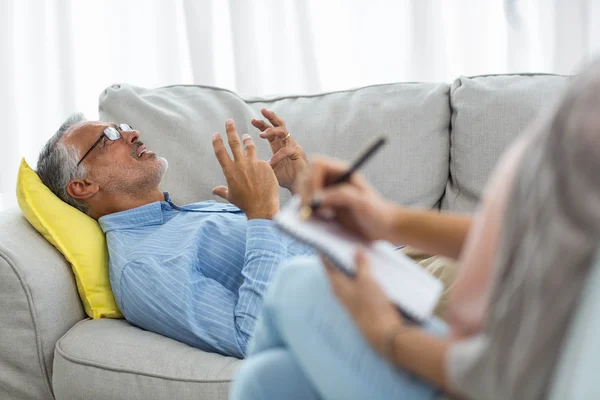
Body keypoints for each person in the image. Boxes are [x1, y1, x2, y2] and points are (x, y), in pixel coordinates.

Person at [231, 61, 600, 399]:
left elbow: (504, 377)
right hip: (469, 340)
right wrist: (387, 219)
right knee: (266, 379)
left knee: (298, 284)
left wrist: (390, 335)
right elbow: (539, 240)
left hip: (483, 378)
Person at [36, 109, 314, 358]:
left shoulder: (186, 214)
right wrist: (263, 214)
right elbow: (251, 338)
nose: (133, 134)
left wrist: (303, 189)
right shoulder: (142, 266)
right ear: (83, 185)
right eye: (109, 137)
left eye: (123, 127)